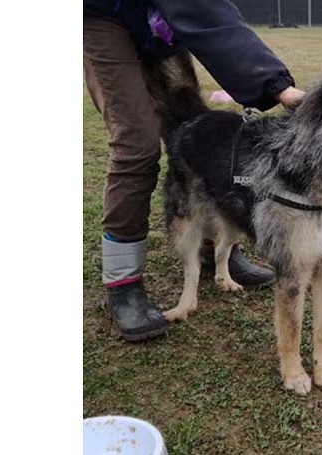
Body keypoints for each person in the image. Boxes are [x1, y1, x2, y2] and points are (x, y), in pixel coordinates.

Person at [84, 0, 305, 341]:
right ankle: (122, 282)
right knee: (137, 144)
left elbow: (207, 12)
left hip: (158, 15)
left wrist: (275, 84)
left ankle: (214, 252)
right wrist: (277, 87)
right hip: (98, 15)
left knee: (192, 131)